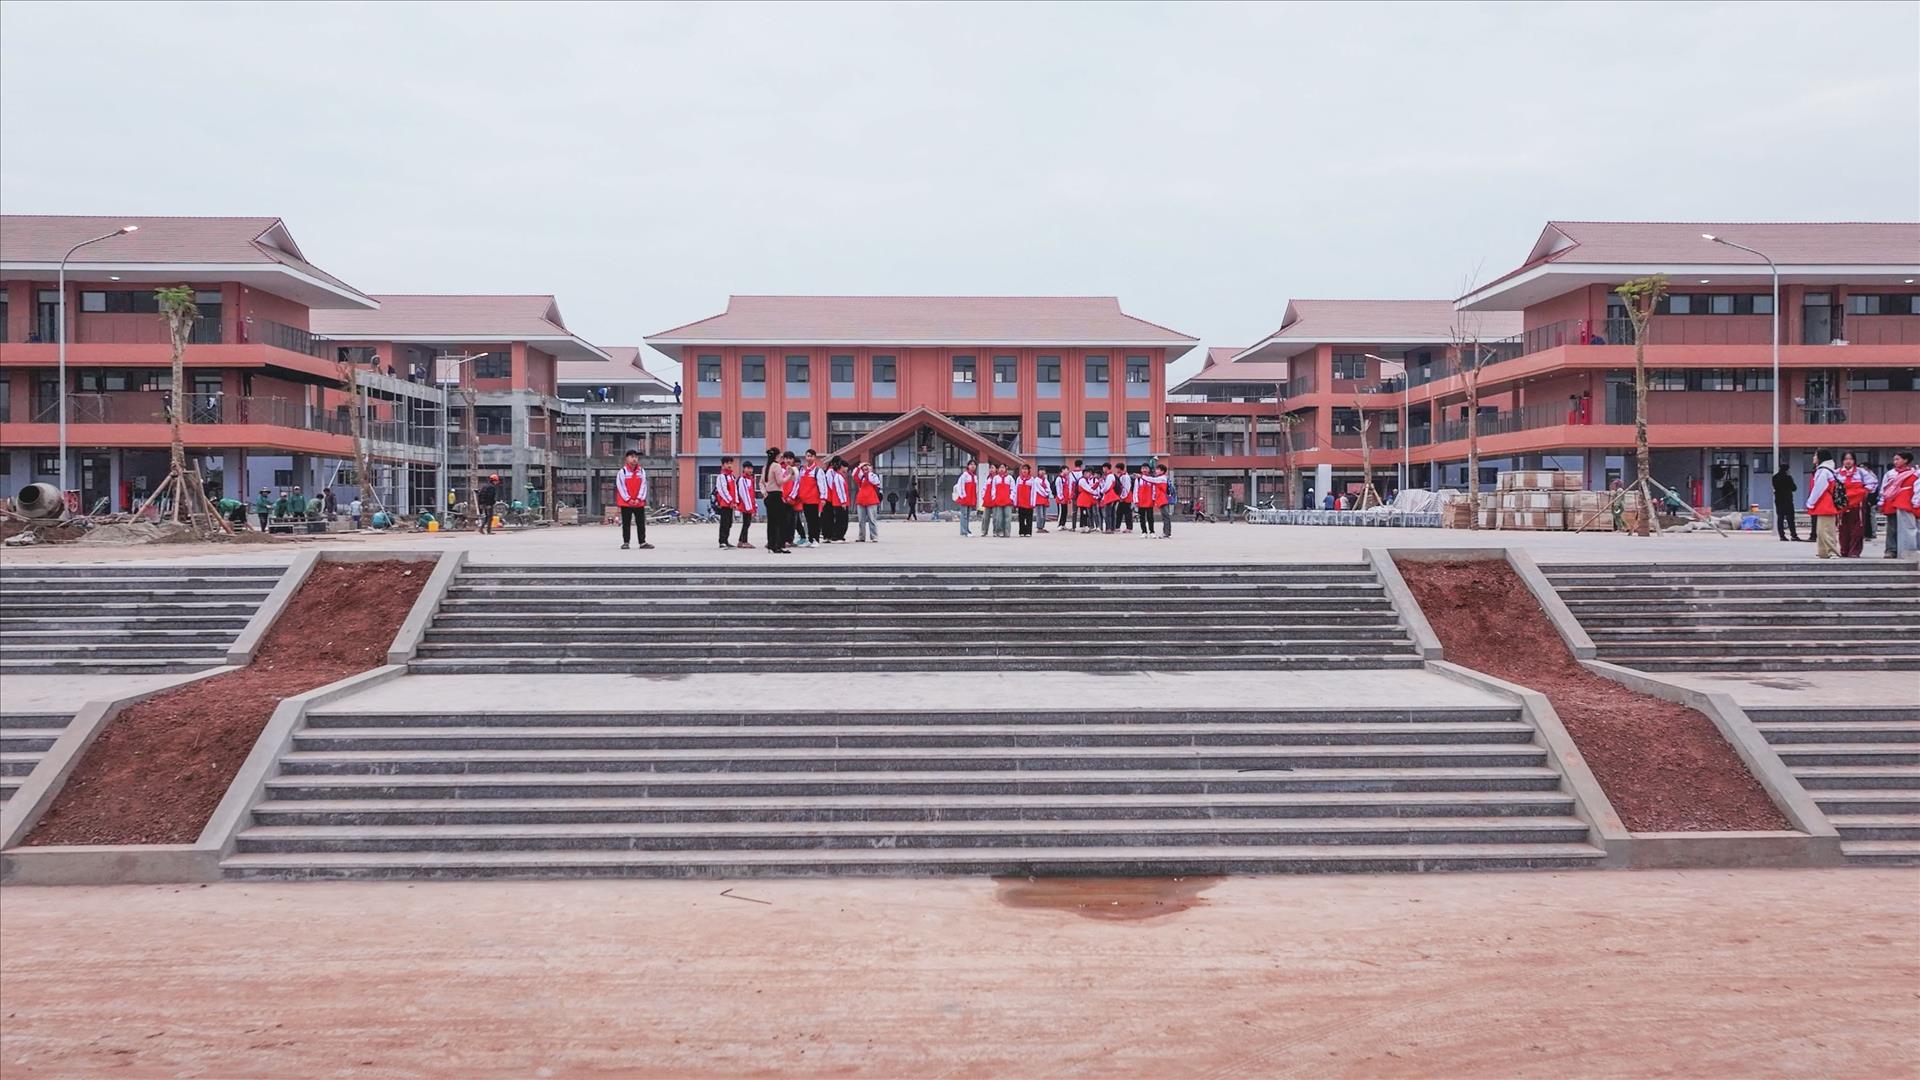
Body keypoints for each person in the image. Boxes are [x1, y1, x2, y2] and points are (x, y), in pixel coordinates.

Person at [1836, 452, 1876, 558]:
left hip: (1858, 503)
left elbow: (1873, 482)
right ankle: (1844, 550)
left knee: (1858, 528)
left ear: (1854, 460)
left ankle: (1854, 551)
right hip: (1843, 503)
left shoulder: (1861, 472)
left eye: (1850, 459)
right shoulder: (1837, 473)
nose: (1848, 461)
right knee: (1843, 527)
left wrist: (1865, 492)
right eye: (1845, 459)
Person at [1879, 451, 1917, 559]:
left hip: (1906, 503)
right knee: (1892, 528)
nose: (1895, 462)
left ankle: (1906, 549)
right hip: (1891, 502)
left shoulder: (1914, 474)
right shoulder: (1890, 474)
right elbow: (1884, 489)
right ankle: (1891, 550)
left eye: (1898, 459)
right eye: (1894, 459)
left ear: (1905, 460)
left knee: (1907, 527)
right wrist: (1881, 502)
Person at [1806, 449, 1842, 559]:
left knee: (1826, 530)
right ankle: (1823, 552)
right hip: (1826, 503)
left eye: (1815, 456)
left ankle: (1832, 551)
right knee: (1822, 529)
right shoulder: (1828, 469)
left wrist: (1810, 502)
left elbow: (1819, 488)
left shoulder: (1823, 471)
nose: (1813, 458)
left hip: (1825, 503)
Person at [613, 452, 653, 550]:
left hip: (639, 503)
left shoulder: (641, 471)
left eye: (636, 457)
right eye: (632, 457)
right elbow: (621, 487)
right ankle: (626, 542)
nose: (634, 459)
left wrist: (639, 498)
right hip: (626, 503)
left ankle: (642, 542)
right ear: (627, 459)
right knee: (626, 523)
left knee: (641, 523)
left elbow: (644, 486)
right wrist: (628, 499)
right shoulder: (623, 472)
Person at [763, 448, 792, 554]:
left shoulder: (766, 467)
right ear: (777, 456)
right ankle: (778, 545)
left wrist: (764, 492)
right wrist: (790, 475)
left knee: (771, 522)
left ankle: (771, 545)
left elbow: (762, 482)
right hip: (776, 495)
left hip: (769, 496)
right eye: (780, 456)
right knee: (781, 522)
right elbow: (780, 482)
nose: (781, 458)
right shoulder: (776, 466)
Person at [798, 450, 826, 546]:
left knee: (814, 520)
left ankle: (815, 539)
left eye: (811, 456)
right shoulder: (802, 470)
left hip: (814, 499)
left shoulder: (818, 470)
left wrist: (823, 497)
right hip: (804, 499)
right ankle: (810, 539)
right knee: (808, 520)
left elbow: (822, 484)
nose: (809, 458)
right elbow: (799, 483)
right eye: (807, 456)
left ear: (814, 457)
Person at [853, 458, 883, 542]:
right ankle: (861, 537)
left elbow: (874, 482)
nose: (865, 468)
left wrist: (869, 472)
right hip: (861, 500)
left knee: (872, 519)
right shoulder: (861, 477)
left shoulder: (873, 476)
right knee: (861, 520)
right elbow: (854, 475)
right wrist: (859, 467)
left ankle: (874, 536)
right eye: (864, 467)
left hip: (871, 500)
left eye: (867, 466)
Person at [713, 456, 739, 551]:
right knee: (724, 522)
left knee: (729, 523)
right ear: (723, 465)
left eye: (731, 463)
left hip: (731, 504)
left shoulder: (731, 476)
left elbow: (735, 490)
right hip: (725, 503)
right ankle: (722, 541)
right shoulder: (721, 476)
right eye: (727, 463)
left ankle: (726, 540)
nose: (729, 465)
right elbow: (722, 490)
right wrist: (730, 500)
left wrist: (736, 501)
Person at [1772, 465, 1803, 542]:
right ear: (1787, 470)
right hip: (1787, 500)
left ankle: (1782, 536)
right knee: (1790, 519)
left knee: (1780, 518)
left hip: (1779, 500)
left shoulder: (1775, 477)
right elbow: (1794, 488)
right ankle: (1793, 535)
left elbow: (1775, 487)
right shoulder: (1788, 478)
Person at [953, 460, 981, 537]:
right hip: (965, 497)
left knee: (968, 515)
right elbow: (960, 486)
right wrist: (963, 496)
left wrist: (975, 496)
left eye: (974, 464)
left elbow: (976, 488)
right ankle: (964, 531)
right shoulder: (964, 475)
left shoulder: (975, 477)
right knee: (964, 515)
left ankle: (966, 529)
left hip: (971, 498)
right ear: (968, 466)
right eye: (971, 464)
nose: (973, 466)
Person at [986, 462, 1014, 538]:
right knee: (999, 518)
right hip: (998, 500)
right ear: (998, 469)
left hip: (1007, 501)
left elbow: (1013, 489)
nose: (1001, 469)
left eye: (1003, 467)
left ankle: (1007, 532)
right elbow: (993, 489)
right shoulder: (996, 478)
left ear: (1006, 469)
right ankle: (1000, 531)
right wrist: (994, 497)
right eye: (1000, 468)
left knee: (1008, 518)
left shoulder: (1010, 478)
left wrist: (1011, 498)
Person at [734, 461, 758, 549]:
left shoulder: (750, 479)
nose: (750, 470)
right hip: (745, 505)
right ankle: (744, 541)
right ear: (744, 469)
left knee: (747, 523)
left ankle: (741, 541)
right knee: (746, 523)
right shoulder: (742, 479)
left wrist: (754, 505)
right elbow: (743, 494)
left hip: (749, 505)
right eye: (748, 468)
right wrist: (749, 508)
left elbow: (752, 494)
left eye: (751, 468)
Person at [1013, 463, 1037, 537]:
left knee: (1029, 518)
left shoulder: (1032, 479)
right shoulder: (1019, 479)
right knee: (1021, 518)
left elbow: (1033, 491)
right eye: (1023, 469)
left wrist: (1033, 502)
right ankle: (1022, 531)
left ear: (1028, 470)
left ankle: (1028, 532)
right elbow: (1016, 490)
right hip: (1020, 501)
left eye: (1026, 469)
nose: (1024, 470)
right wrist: (1015, 501)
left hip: (1028, 502)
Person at [1156, 464, 1174, 538]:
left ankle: (1166, 533)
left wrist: (1142, 476)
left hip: (1163, 499)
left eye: (1158, 469)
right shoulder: (1163, 478)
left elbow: (1151, 480)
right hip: (1163, 499)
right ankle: (1167, 532)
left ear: (1162, 471)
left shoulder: (1162, 478)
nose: (1156, 471)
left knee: (1165, 516)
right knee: (1165, 516)